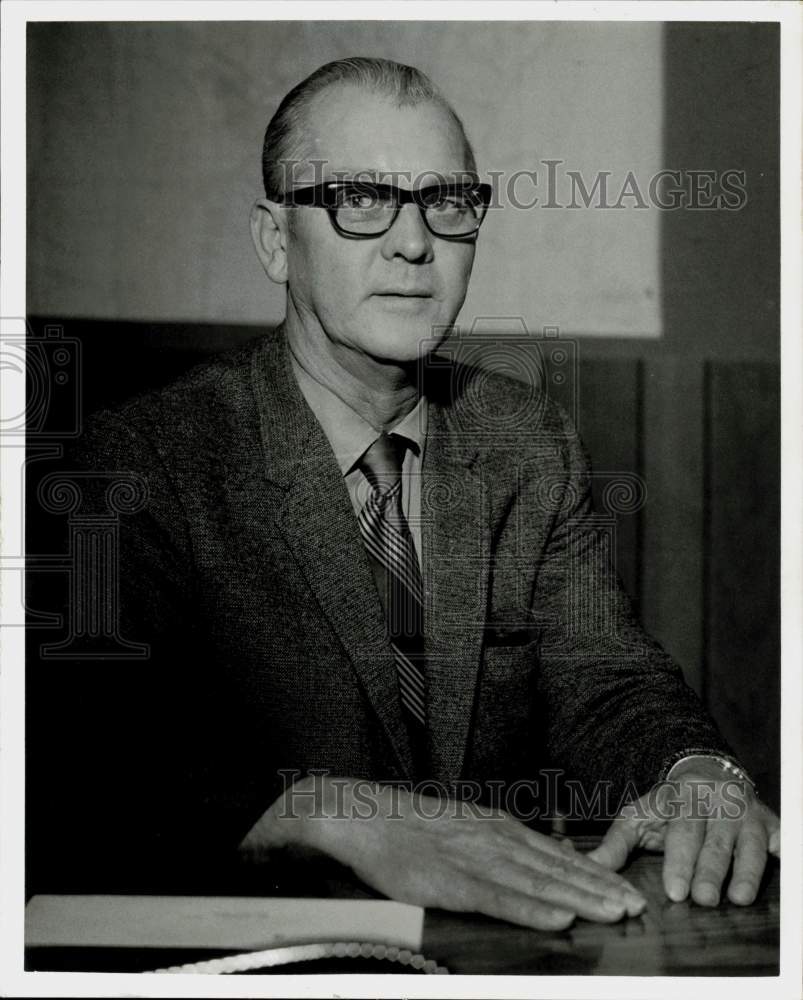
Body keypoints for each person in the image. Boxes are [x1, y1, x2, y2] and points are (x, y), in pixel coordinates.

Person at [37, 57, 779, 929]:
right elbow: (89, 759)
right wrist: (335, 816)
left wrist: (694, 771)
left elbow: (605, 677)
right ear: (276, 241)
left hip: (499, 948)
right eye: (360, 199)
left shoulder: (523, 439)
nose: (413, 241)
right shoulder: (144, 460)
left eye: (446, 202)